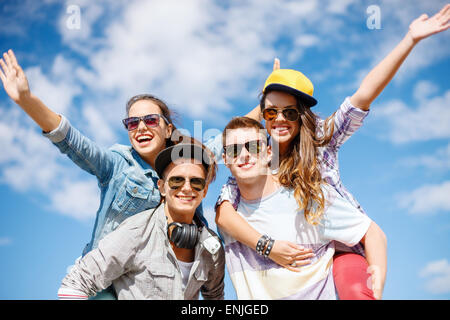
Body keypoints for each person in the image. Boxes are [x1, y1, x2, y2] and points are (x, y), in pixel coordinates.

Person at [215, 5, 450, 299]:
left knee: (355, 290)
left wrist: (410, 40)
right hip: (291, 255)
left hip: (342, 244)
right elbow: (225, 206)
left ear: (301, 116)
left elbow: (363, 95)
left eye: (289, 112)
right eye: (271, 113)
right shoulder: (256, 157)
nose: (280, 119)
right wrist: (268, 92)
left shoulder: (320, 140)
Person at [0, 50, 220, 298]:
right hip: (107, 284)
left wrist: (268, 102)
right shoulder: (117, 165)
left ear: (168, 128)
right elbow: (73, 142)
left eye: (150, 120)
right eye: (132, 122)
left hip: (154, 281)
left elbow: (227, 139)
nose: (141, 127)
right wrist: (26, 100)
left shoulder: (186, 165)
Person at [219, 116, 386, 300]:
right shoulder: (228, 219)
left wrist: (375, 292)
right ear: (225, 159)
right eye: (234, 150)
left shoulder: (308, 198)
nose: (244, 155)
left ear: (268, 153)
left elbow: (373, 234)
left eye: (254, 147)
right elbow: (191, 157)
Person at [57, 142, 225, 300]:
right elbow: (74, 283)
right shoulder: (136, 232)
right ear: (161, 187)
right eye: (177, 180)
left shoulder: (212, 247)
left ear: (204, 191)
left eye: (196, 181)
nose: (187, 187)